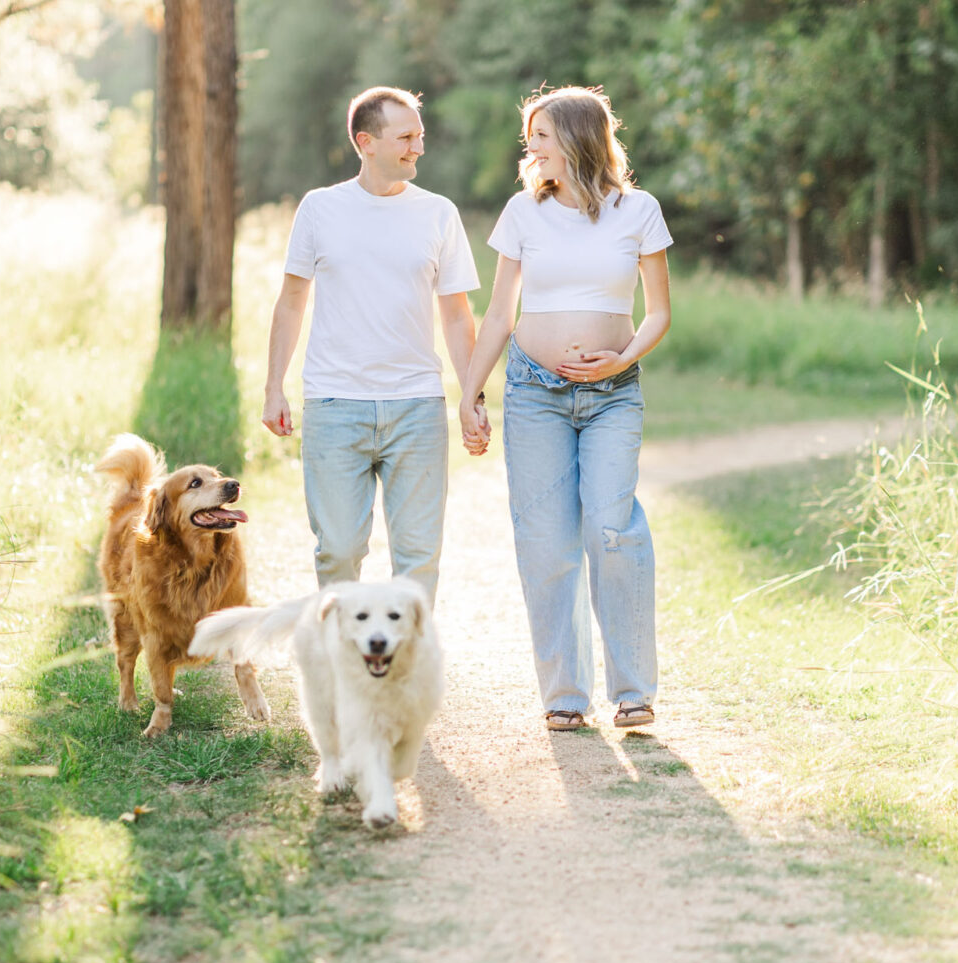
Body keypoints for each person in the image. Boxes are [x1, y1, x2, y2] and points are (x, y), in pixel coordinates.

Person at [459, 86, 672, 731]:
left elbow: (659, 311)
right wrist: (469, 392)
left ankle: (633, 691)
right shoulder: (525, 212)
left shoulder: (638, 211)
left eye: (542, 135)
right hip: (534, 393)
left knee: (613, 530)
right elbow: (500, 313)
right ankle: (564, 695)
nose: (531, 147)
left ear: (578, 137)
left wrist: (622, 357)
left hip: (613, 393)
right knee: (547, 542)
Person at [262, 86, 483, 604]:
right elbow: (292, 301)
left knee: (418, 557)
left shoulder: (439, 214)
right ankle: (341, 667)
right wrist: (274, 388)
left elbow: (456, 314)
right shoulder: (319, 209)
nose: (418, 148)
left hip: (416, 406)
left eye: (420, 136)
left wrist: (470, 396)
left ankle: (405, 676)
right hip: (336, 404)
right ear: (366, 142)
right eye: (406, 137)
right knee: (338, 550)